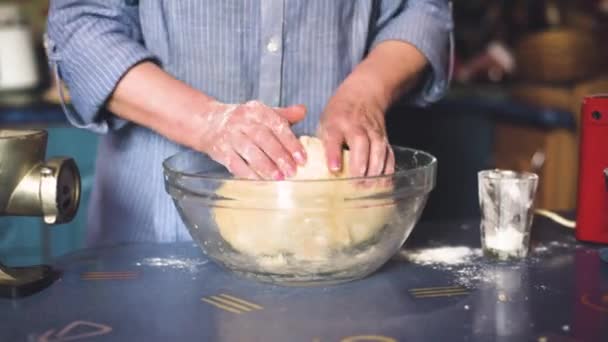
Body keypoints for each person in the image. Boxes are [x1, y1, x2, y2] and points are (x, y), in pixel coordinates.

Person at [46, 0, 453, 246]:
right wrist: (207, 123)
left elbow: (422, 11)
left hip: (343, 240)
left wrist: (366, 91)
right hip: (159, 235)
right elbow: (81, 24)